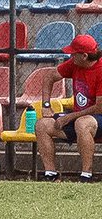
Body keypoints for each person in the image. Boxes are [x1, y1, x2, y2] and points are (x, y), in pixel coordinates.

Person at [35, 33, 102, 183]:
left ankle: (86, 175)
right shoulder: (75, 64)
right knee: (42, 125)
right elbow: (49, 77)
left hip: (97, 118)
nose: (71, 56)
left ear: (84, 56)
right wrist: (46, 105)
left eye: (73, 53)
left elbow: (99, 108)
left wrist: (69, 117)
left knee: (82, 123)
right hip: (80, 117)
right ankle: (50, 174)